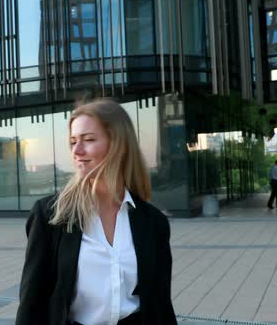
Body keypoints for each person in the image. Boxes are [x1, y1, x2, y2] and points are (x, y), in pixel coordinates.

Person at [16, 99, 177, 325]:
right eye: (73, 142)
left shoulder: (154, 222)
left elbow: (161, 305)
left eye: (88, 140)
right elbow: (31, 304)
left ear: (119, 144)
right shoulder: (50, 216)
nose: (77, 151)